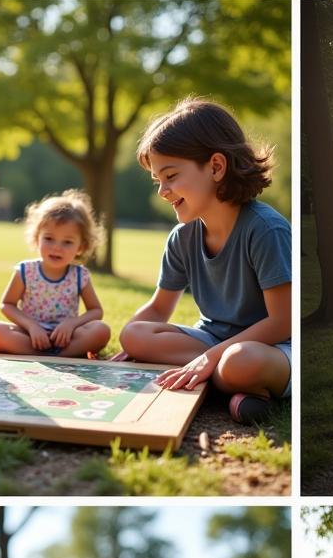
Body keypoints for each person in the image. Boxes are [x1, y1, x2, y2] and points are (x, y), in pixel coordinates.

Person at [115, 98, 291, 425]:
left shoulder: (267, 230)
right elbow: (158, 309)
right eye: (158, 181)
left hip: (271, 348)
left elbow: (283, 322)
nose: (162, 191)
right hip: (211, 339)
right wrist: (128, 347)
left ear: (215, 167)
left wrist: (211, 357)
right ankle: (233, 390)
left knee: (239, 362)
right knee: (135, 334)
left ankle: (228, 379)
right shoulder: (182, 237)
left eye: (170, 176)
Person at [0, 190, 111, 357]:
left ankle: (59, 355)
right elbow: (7, 304)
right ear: (37, 238)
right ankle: (47, 354)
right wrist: (31, 326)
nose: (56, 247)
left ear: (81, 246)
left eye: (67, 242)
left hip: (67, 336)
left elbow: (96, 311)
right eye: (49, 238)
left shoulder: (80, 276)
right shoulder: (25, 271)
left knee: (101, 330)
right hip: (30, 335)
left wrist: (72, 324)